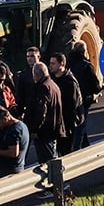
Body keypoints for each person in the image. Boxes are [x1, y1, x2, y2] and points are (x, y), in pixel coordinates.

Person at [23, 62, 63, 193]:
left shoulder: (43, 88)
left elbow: (41, 111)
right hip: (53, 129)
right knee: (53, 157)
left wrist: (34, 129)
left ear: (36, 75)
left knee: (47, 161)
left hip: (45, 132)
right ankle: (56, 186)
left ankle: (52, 188)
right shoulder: (53, 85)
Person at [66, 41, 102, 150]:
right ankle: (77, 151)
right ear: (85, 51)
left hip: (70, 100)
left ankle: (86, 147)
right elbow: (95, 86)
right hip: (83, 100)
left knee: (79, 126)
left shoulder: (68, 65)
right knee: (80, 127)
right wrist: (96, 92)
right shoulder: (86, 66)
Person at [46, 53, 82, 161]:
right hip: (56, 124)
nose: (50, 66)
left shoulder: (70, 82)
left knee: (65, 153)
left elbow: (73, 106)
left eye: (53, 63)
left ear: (61, 64)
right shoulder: (52, 80)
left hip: (66, 125)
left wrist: (68, 126)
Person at [0, 108, 29, 181]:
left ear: (5, 118)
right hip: (17, 166)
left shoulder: (14, 131)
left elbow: (14, 153)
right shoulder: (21, 125)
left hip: (9, 169)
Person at [15, 47, 41, 118]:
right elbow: (20, 94)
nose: (29, 59)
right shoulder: (23, 75)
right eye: (28, 56)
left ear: (38, 57)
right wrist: (20, 112)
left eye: (32, 56)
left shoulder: (45, 72)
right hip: (30, 108)